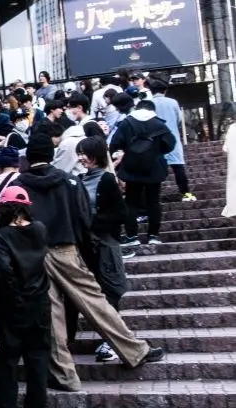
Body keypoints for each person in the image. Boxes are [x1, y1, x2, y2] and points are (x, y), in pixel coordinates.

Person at [16, 135, 164, 392]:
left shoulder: (19, 185)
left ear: (29, 158)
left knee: (51, 314)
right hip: (67, 249)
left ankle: (65, 376)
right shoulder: (69, 181)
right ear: (51, 156)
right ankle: (134, 350)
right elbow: (83, 218)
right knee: (95, 302)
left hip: (34, 254)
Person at [0, 187, 51, 408]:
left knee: (7, 360)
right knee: (38, 357)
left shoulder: (1, 236)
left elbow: (4, 271)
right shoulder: (40, 229)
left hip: (12, 305)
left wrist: (11, 296)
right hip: (40, 302)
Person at [76, 136, 131, 363]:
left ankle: (110, 342)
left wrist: (94, 223)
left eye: (84, 153)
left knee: (111, 290)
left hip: (106, 243)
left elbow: (121, 214)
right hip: (87, 246)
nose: (81, 158)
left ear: (96, 154)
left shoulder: (108, 179)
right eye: (79, 153)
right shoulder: (78, 180)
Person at [110, 99, 176, 246]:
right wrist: (156, 151)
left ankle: (132, 236)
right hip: (154, 167)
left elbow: (115, 143)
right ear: (152, 110)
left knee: (131, 202)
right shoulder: (158, 123)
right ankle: (153, 235)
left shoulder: (127, 123)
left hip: (131, 166)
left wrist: (127, 151)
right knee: (153, 201)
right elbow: (170, 144)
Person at [150, 78, 196, 202]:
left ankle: (154, 197)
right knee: (178, 167)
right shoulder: (173, 102)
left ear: (151, 91)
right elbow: (179, 120)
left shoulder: (148, 102)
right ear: (165, 90)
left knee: (155, 169)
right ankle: (185, 192)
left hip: (154, 140)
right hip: (172, 138)